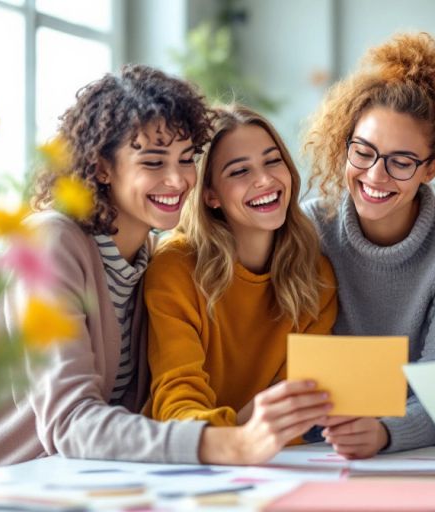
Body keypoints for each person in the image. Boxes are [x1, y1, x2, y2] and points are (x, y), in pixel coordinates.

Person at [0, 67, 308, 470]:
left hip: (88, 481)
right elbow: (70, 421)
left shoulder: (151, 257)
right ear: (101, 168)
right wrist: (223, 444)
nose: (177, 179)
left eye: (186, 159)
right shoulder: (50, 243)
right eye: (152, 162)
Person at [302, 32, 435, 458]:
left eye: (401, 162)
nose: (375, 175)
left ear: (431, 168)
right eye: (363, 152)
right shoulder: (312, 225)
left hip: (416, 450)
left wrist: (386, 432)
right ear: (344, 144)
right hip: (311, 448)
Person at [145, 105, 338, 462]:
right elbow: (176, 406)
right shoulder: (176, 267)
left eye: (273, 161)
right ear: (210, 195)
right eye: (240, 171)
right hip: (186, 462)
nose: (265, 180)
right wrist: (245, 430)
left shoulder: (315, 275)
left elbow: (295, 411)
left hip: (278, 460)